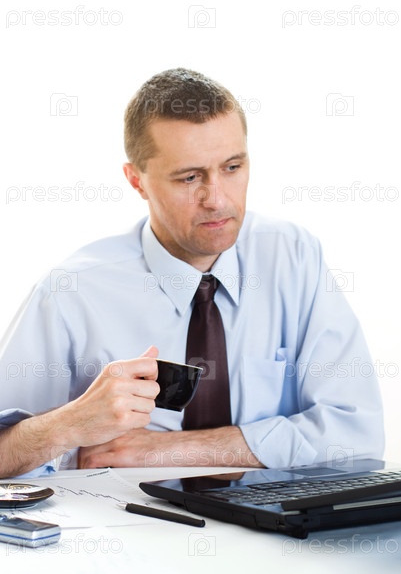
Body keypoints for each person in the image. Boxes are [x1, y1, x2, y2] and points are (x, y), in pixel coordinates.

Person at [0, 68, 384, 477]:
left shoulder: (293, 257)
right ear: (137, 181)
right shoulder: (70, 292)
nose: (216, 199)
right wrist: (68, 424)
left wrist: (164, 451)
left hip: (275, 517)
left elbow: (357, 434)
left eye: (232, 167)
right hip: (120, 517)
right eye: (190, 177)